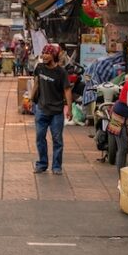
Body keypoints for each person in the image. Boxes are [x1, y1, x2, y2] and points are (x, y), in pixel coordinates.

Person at [30, 44, 72, 175]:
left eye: (47, 53)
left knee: (57, 139)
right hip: (41, 109)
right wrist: (32, 99)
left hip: (57, 111)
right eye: (43, 53)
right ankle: (42, 164)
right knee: (40, 137)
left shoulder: (61, 72)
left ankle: (56, 166)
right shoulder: (40, 68)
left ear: (53, 56)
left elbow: (67, 90)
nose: (44, 56)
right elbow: (36, 83)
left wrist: (69, 109)